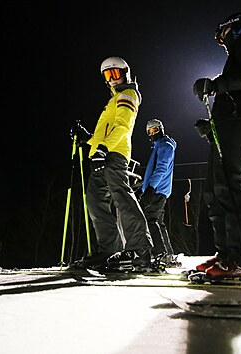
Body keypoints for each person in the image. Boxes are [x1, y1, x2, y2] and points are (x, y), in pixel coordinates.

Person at [191, 12, 241, 280]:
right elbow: (236, 89)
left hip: (240, 120)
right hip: (229, 122)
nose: (221, 41)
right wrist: (211, 128)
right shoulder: (238, 52)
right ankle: (227, 255)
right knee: (214, 190)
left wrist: (217, 85)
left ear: (233, 28)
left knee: (228, 185)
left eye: (222, 34)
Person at [71, 56, 153, 272]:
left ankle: (139, 249)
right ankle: (109, 250)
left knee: (121, 196)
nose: (112, 79)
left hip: (114, 154)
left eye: (115, 73)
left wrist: (103, 148)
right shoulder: (113, 100)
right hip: (101, 154)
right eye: (108, 75)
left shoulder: (128, 94)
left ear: (125, 73)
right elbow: (105, 131)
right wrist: (88, 138)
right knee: (96, 202)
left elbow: (123, 125)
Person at [139, 118, 179, 266]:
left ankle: (160, 254)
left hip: (158, 190)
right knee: (157, 222)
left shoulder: (165, 145)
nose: (152, 133)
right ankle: (167, 254)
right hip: (155, 189)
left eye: (155, 130)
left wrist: (150, 188)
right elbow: (151, 172)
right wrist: (141, 189)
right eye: (149, 131)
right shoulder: (158, 146)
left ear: (161, 129)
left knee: (150, 220)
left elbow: (161, 167)